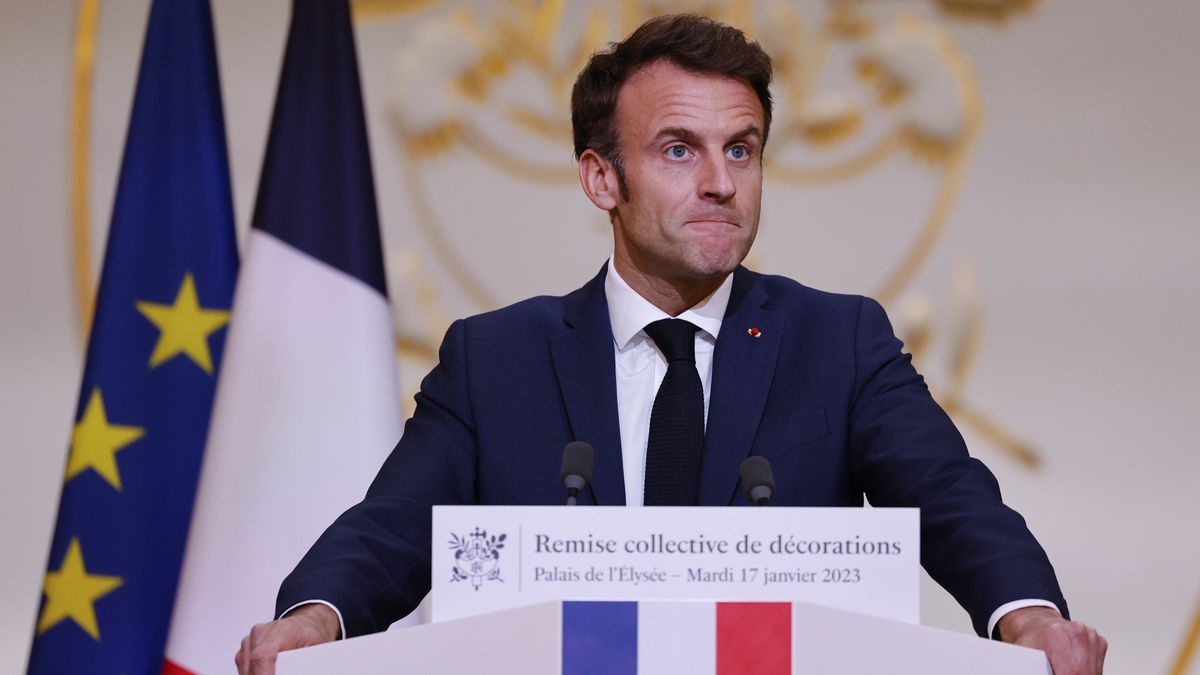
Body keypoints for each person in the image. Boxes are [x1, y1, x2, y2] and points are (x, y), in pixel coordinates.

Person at [236, 14, 1106, 674]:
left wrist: (1027, 617)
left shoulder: (838, 343)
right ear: (601, 176)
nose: (723, 183)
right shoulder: (494, 358)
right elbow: (392, 529)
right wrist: (315, 619)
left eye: (743, 149)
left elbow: (953, 498)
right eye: (680, 150)